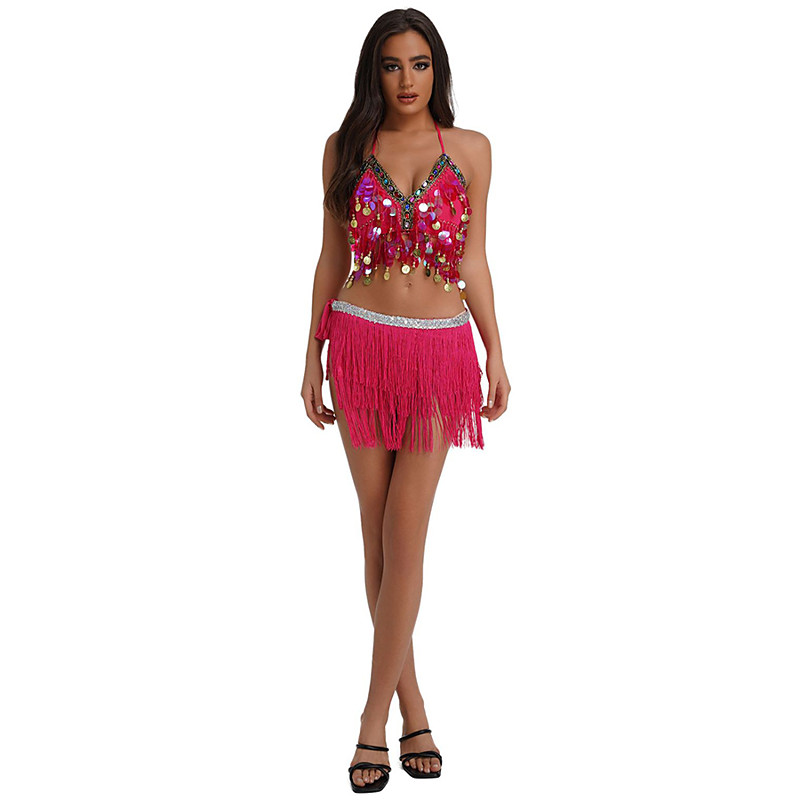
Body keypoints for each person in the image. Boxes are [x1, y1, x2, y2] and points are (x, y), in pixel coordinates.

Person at [300, 8, 510, 792]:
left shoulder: (472, 150)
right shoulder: (345, 148)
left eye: (420, 64)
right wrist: (311, 351)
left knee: (404, 530)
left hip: (438, 353)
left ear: (437, 70)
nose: (407, 79)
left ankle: (370, 720)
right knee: (376, 534)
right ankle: (413, 708)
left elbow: (475, 259)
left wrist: (496, 350)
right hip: (360, 343)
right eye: (392, 65)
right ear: (373, 74)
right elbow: (331, 257)